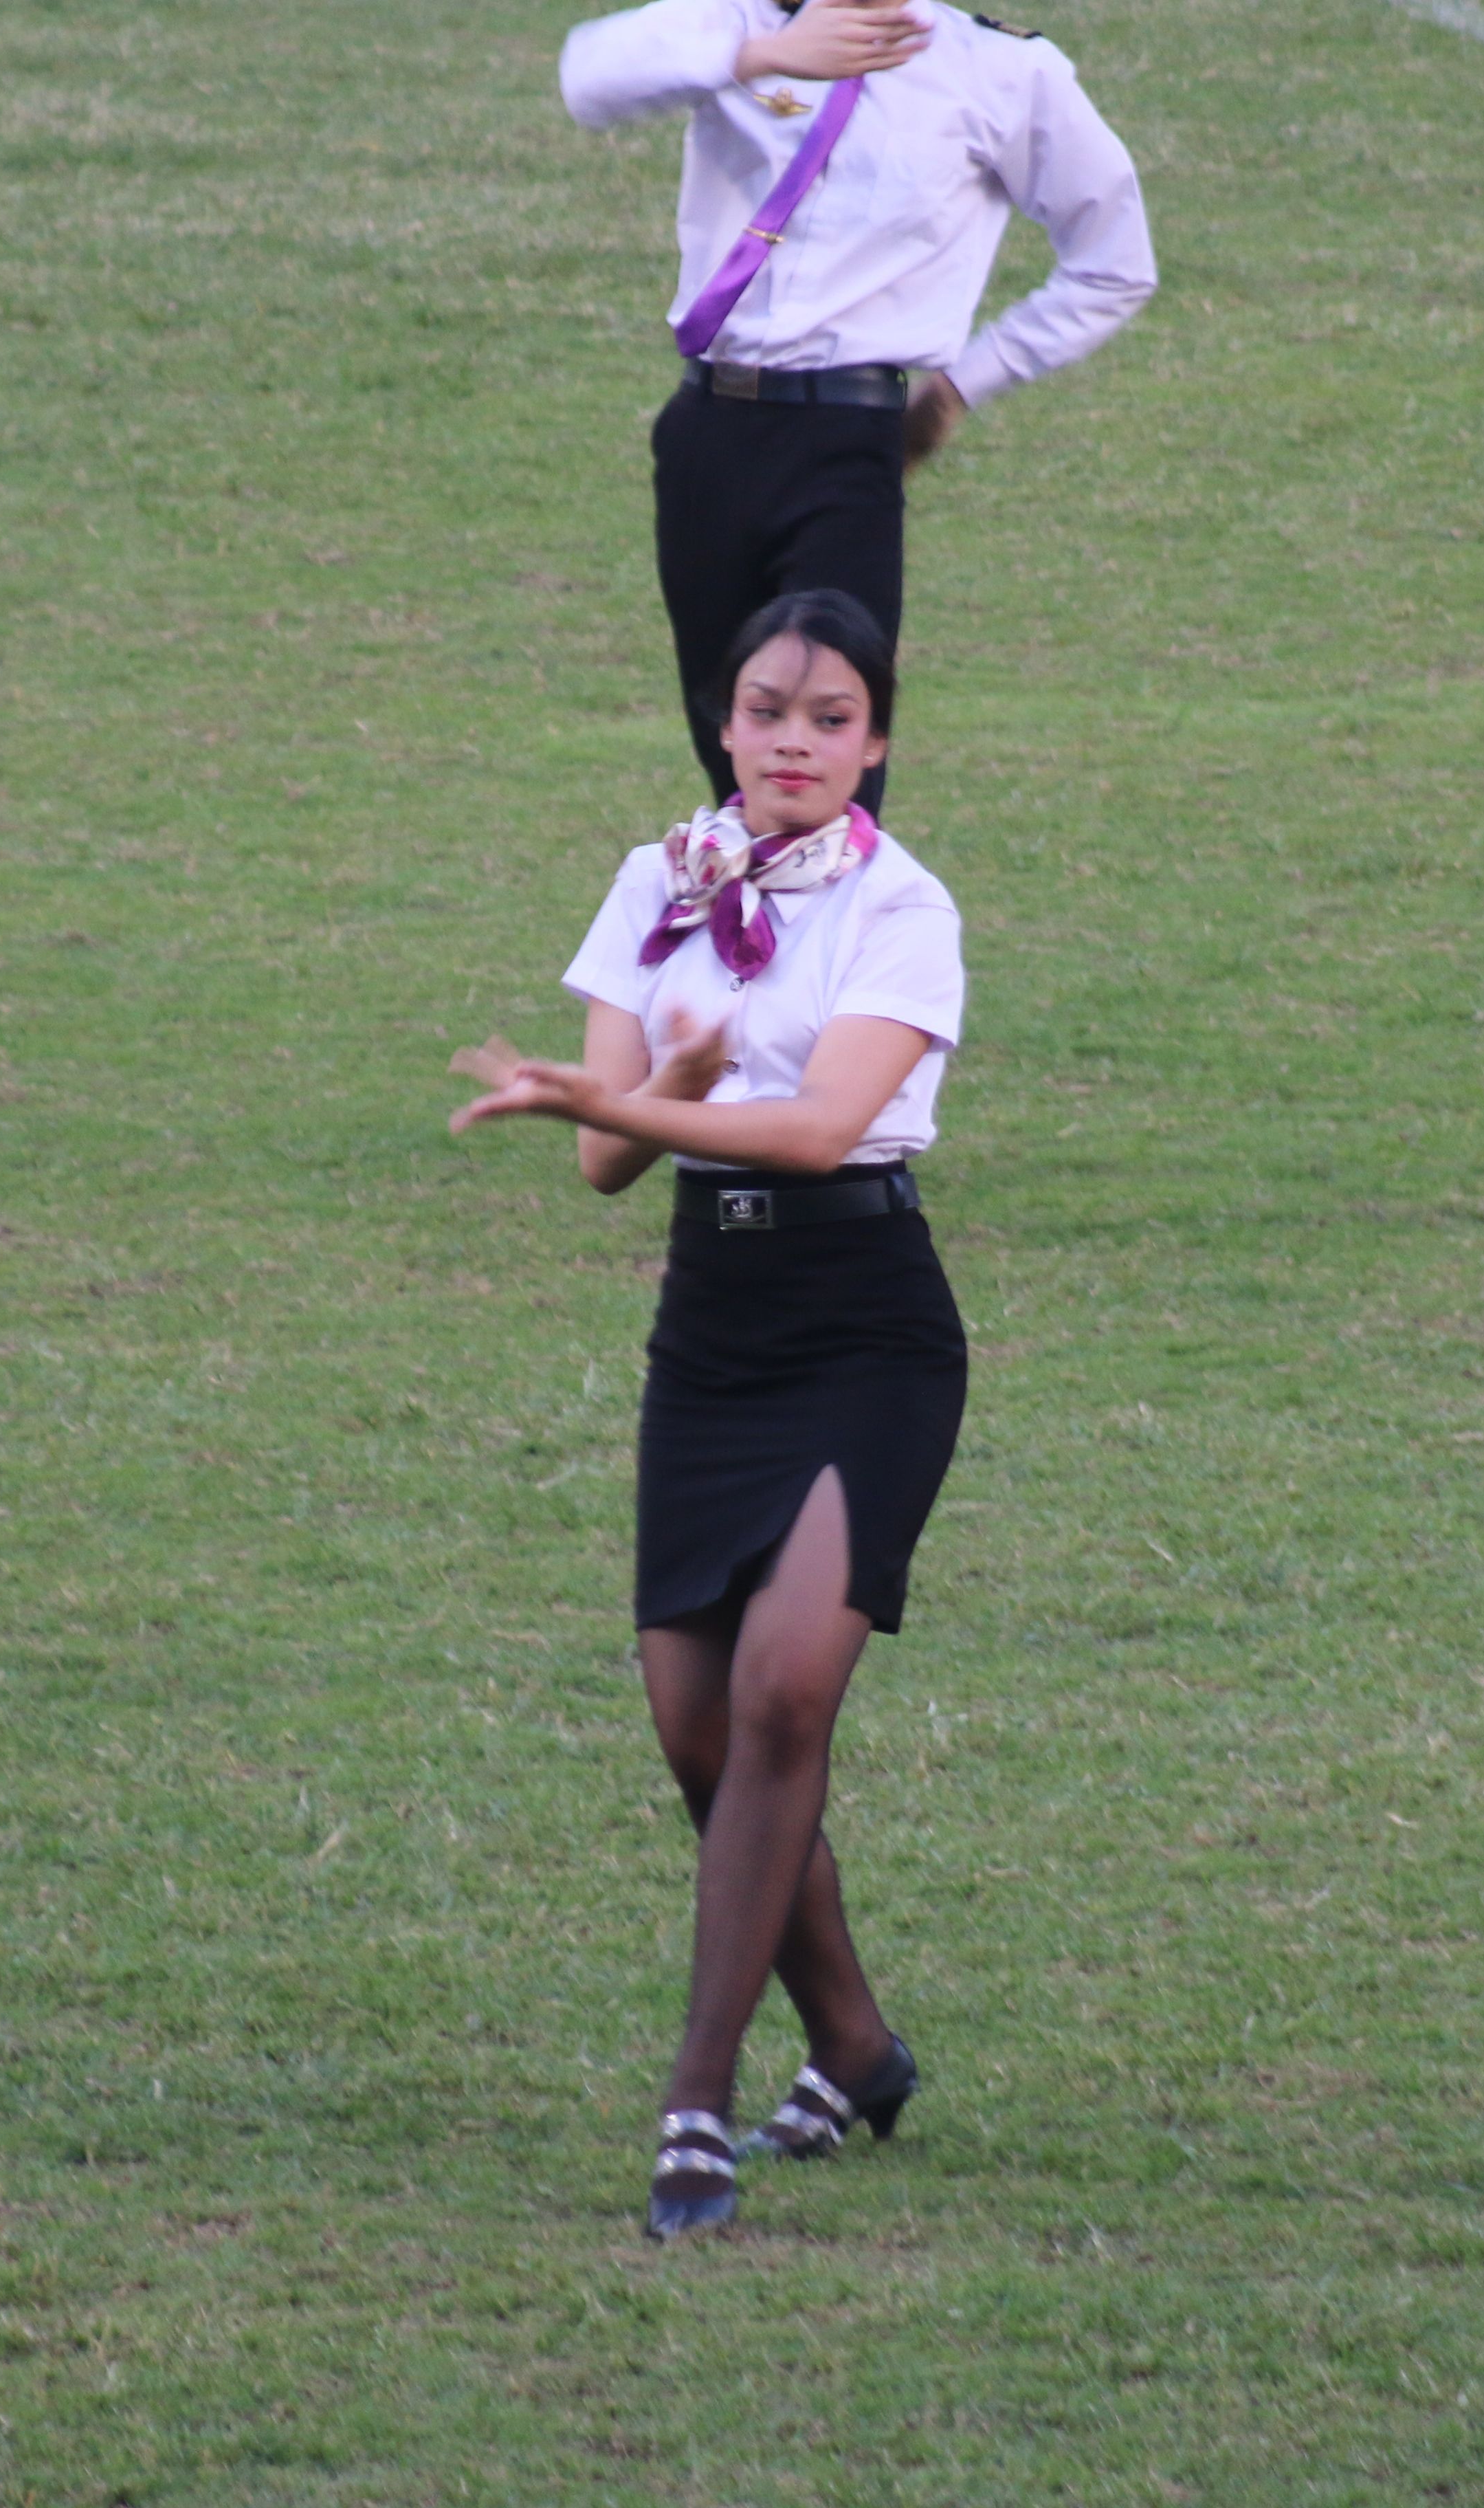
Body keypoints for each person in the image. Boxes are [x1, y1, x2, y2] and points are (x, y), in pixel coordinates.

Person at [452, 588, 966, 2238]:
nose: (792, 742)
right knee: (696, 1729)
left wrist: (641, 1090)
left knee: (782, 1692)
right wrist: (646, 1086)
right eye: (765, 712)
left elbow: (818, 1131)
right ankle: (857, 2048)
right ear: (723, 723)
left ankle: (695, 2103)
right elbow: (610, 1161)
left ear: (873, 742)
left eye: (830, 719)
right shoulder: (657, 882)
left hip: (865, 1326)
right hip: (714, 1332)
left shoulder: (903, 906)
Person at [560, 0, 1155, 808]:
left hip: (847, 442)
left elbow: (1114, 263)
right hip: (706, 429)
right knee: (733, 750)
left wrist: (960, 389)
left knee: (827, 755)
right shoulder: (740, 20)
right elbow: (589, 79)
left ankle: (839, 891)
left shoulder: (998, 69)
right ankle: (740, 894)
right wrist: (764, 54)